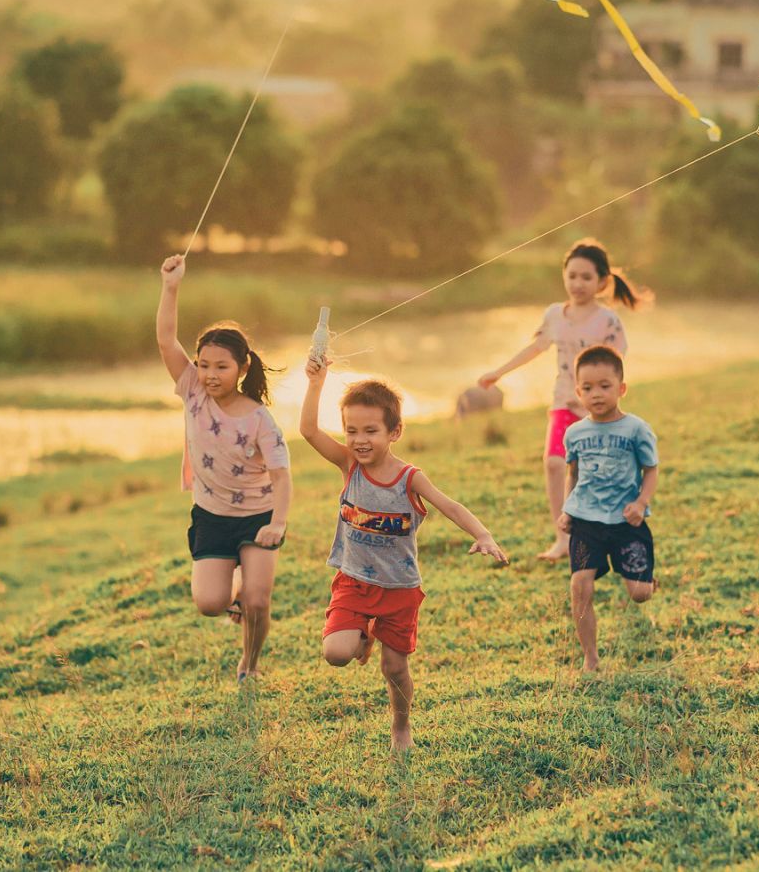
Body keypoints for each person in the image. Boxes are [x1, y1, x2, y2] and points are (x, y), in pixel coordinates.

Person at [301, 355, 506, 751]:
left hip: (398, 588)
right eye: (351, 430)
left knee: (394, 667)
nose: (359, 440)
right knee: (336, 652)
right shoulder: (348, 465)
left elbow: (450, 506)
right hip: (354, 581)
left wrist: (483, 534)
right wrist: (315, 383)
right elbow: (308, 429)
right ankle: (361, 635)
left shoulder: (410, 477)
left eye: (371, 431)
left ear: (394, 431)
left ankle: (401, 728)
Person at [156, 254, 291, 682]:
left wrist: (279, 523)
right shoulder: (192, 390)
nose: (210, 374)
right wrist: (171, 287)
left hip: (258, 517)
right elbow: (164, 340)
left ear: (242, 368)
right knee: (210, 603)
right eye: (204, 364)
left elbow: (282, 475)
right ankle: (230, 590)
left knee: (257, 601)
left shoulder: (259, 419)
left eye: (221, 367)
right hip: (212, 515)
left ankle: (249, 666)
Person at [478, 239, 646, 561]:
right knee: (555, 464)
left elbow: (617, 364)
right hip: (562, 403)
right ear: (564, 276)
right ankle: (562, 538)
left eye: (586, 277)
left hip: (597, 410)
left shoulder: (608, 321)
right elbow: (535, 348)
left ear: (601, 281)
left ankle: (608, 535)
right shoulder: (555, 314)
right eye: (572, 276)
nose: (577, 284)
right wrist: (498, 373)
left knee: (597, 472)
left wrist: (599, 400)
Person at [560, 344, 659, 672]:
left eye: (605, 386)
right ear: (578, 391)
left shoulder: (636, 429)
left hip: (625, 523)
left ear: (622, 388)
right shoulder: (574, 433)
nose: (596, 394)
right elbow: (572, 473)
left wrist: (641, 503)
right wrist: (567, 509)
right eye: (587, 388)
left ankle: (646, 580)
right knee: (579, 584)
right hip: (587, 521)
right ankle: (591, 657)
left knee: (640, 594)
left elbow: (651, 470)